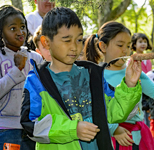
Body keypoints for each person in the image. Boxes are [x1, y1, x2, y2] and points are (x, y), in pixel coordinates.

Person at [20, 7, 143, 150]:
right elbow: (32, 125)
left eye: (79, 40)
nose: (74, 47)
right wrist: (73, 129)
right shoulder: (37, 81)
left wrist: (129, 85)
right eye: (67, 40)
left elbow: (113, 113)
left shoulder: (93, 75)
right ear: (46, 42)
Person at [84, 21, 154, 150]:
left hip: (137, 137)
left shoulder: (134, 72)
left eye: (129, 45)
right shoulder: (94, 75)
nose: (125, 50)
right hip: (109, 140)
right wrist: (114, 129)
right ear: (103, 46)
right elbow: (91, 112)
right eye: (120, 45)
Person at [0, 5, 43, 150]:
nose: (20, 32)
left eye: (22, 27)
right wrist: (17, 69)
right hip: (6, 130)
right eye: (13, 28)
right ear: (0, 32)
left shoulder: (36, 58)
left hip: (34, 129)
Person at [131, 33, 153, 128]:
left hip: (147, 91)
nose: (143, 44)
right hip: (137, 91)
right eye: (140, 42)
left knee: (148, 114)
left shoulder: (148, 60)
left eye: (145, 41)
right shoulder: (132, 59)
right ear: (134, 44)